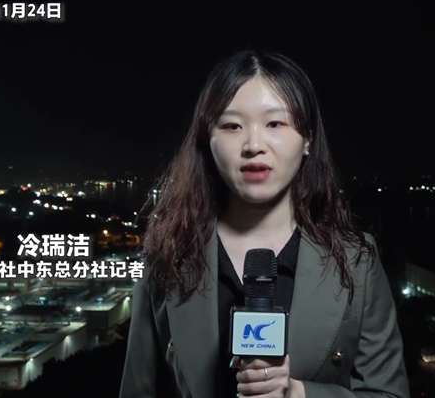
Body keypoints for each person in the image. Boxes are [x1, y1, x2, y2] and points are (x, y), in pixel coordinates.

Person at [119, 50, 409, 398]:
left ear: (308, 139)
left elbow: (389, 393)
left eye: (275, 124)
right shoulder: (166, 255)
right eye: (232, 126)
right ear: (207, 140)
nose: (254, 145)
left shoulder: (356, 260)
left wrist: (297, 393)